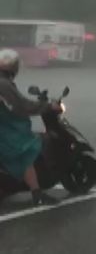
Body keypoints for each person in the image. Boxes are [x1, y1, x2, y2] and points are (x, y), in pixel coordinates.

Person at [0, 49, 60, 205]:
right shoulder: (4, 85)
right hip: (6, 130)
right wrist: (46, 106)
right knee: (26, 151)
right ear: (14, 68)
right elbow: (22, 106)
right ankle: (37, 194)